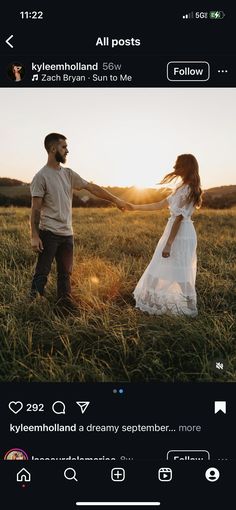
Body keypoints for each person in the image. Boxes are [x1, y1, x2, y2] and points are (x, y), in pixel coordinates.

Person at [30, 132, 130, 312]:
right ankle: (32, 307)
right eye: (64, 147)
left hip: (67, 233)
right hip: (49, 233)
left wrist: (116, 200)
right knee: (42, 273)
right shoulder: (41, 177)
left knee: (65, 274)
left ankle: (64, 306)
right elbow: (35, 209)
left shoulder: (68, 174)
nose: (67, 151)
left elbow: (92, 188)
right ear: (53, 149)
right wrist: (34, 235)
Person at [129, 154, 202, 317]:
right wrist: (133, 207)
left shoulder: (190, 189)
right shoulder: (181, 187)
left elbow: (178, 218)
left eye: (179, 165)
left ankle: (190, 308)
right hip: (174, 232)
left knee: (180, 270)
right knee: (159, 265)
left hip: (180, 234)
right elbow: (159, 204)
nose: (175, 168)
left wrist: (169, 243)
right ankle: (149, 301)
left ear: (187, 167)